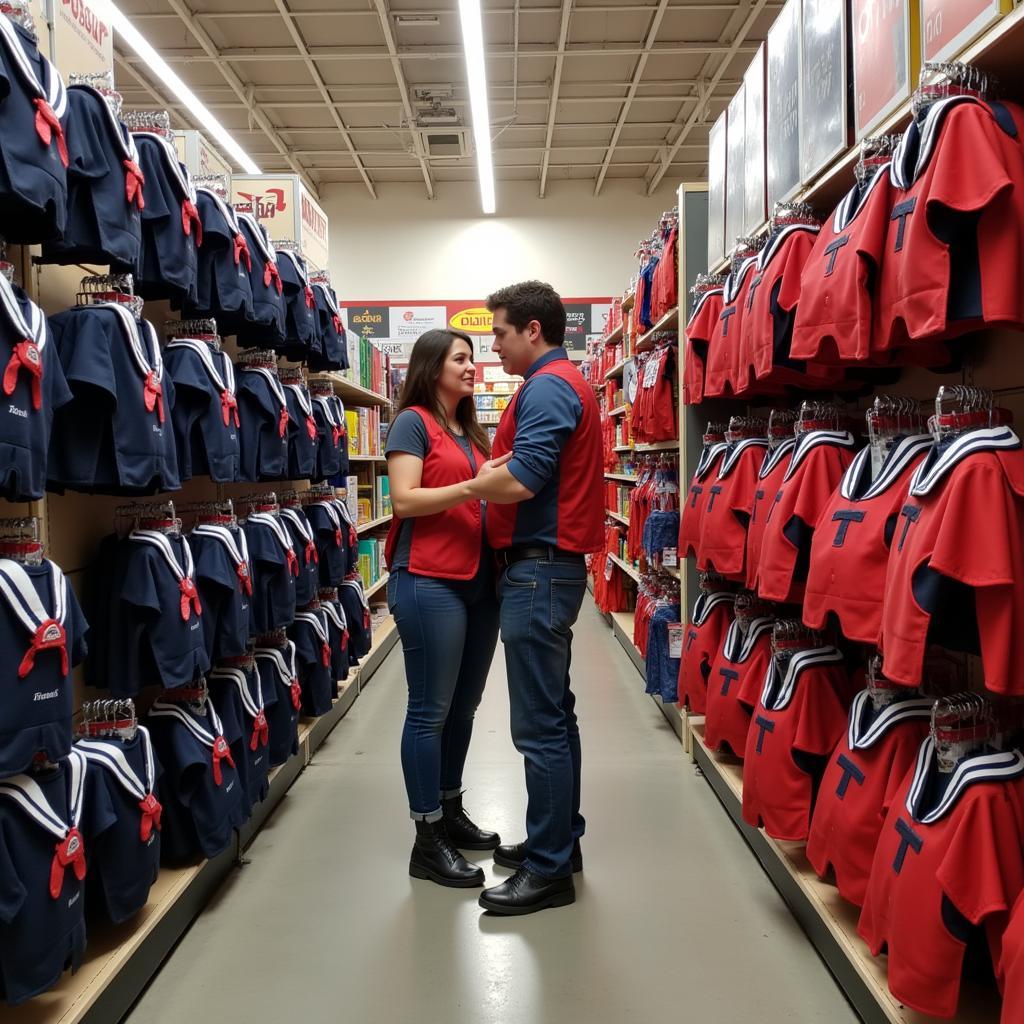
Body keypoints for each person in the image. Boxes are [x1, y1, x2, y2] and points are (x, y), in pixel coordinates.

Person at [460, 281, 605, 915]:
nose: (492, 347)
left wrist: (469, 484)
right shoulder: (559, 383)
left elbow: (524, 476)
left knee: (538, 725)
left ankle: (548, 871)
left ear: (534, 331)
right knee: (556, 714)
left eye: (498, 333)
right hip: (549, 568)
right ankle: (558, 842)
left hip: (540, 570)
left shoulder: (547, 386)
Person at [384, 328, 503, 888]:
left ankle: (450, 811)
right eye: (460, 358)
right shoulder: (413, 421)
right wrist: (473, 488)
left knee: (464, 707)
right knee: (430, 710)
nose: (472, 366)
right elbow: (405, 500)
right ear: (433, 367)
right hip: (428, 578)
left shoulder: (472, 431)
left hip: (477, 582)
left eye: (474, 358)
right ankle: (426, 837)